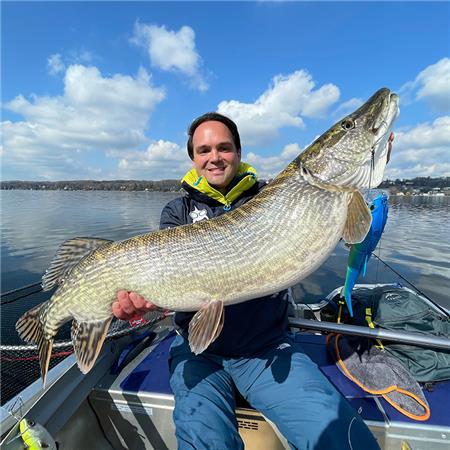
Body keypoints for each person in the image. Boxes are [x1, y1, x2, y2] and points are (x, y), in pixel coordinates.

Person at [112, 112, 381, 450]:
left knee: (343, 441)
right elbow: (164, 279)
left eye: (224, 148)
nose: (214, 157)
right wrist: (139, 305)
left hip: (265, 347)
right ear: (193, 158)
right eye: (204, 150)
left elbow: (353, 233)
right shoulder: (176, 212)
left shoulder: (276, 196)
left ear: (238, 153)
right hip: (198, 351)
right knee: (203, 442)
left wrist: (366, 168)